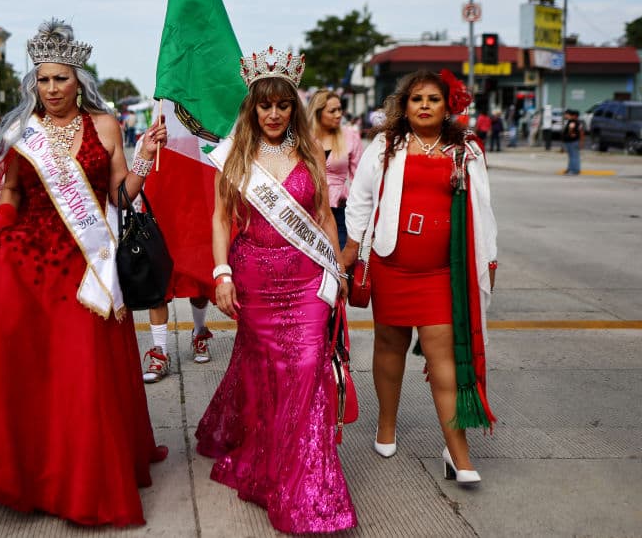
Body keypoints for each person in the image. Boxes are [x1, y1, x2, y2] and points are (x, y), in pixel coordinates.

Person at [0, 19, 168, 526]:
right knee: (35, 371)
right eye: (44, 80)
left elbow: (118, 198)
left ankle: (79, 477)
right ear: (33, 82)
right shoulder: (21, 131)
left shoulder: (105, 126)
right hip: (28, 262)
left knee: (80, 372)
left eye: (61, 79)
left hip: (85, 265)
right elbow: (12, 193)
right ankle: (33, 471)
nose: (53, 89)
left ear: (78, 79)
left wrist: (145, 161)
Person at [197, 48, 357, 534]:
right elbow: (221, 218)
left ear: (293, 107)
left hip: (306, 277)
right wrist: (221, 272)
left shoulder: (309, 149)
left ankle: (307, 482)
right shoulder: (236, 154)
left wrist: (338, 272)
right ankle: (265, 460)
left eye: (282, 105)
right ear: (253, 107)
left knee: (307, 370)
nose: (272, 113)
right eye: (264, 105)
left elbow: (325, 218)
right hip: (255, 280)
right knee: (266, 375)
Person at [342, 69, 497, 485]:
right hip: (392, 267)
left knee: (442, 361)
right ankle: (386, 425)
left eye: (432, 99)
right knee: (389, 347)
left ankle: (458, 451)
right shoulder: (385, 145)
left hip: (441, 274)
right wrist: (351, 250)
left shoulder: (466, 149)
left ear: (448, 105)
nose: (424, 105)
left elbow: (483, 210)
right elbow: (358, 201)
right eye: (416, 99)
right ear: (404, 105)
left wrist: (490, 262)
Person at [310, 89, 364, 250]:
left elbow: (359, 178)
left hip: (339, 209)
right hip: (308, 209)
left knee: (339, 259)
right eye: (332, 111)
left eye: (340, 109)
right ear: (318, 112)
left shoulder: (351, 137)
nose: (339, 114)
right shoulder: (303, 138)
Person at [562, 109, 584, 175]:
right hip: (574, 141)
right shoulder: (577, 122)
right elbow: (581, 132)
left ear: (572, 115)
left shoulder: (572, 122)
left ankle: (572, 170)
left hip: (572, 142)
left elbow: (571, 130)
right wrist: (581, 142)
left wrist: (570, 134)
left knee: (573, 157)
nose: (565, 115)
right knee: (574, 156)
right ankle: (574, 169)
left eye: (566, 114)